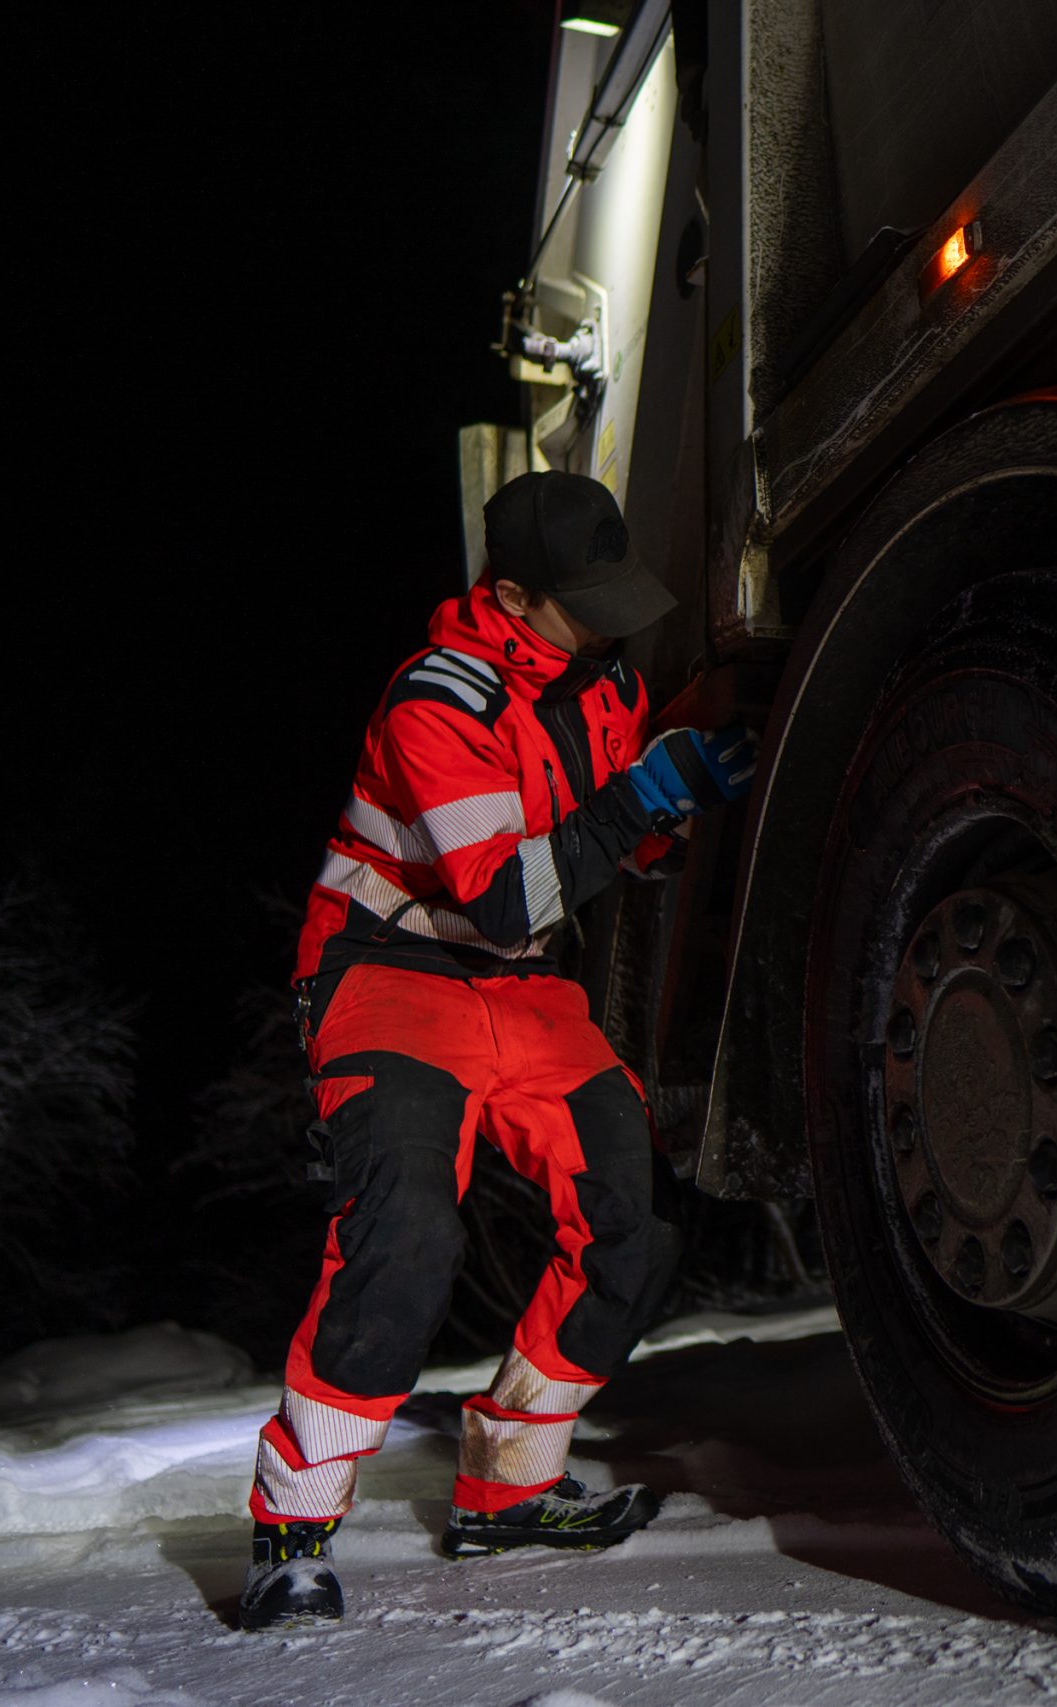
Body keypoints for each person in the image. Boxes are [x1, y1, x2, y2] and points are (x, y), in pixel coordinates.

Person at [239, 471, 755, 1632]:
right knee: (407, 1235)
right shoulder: (435, 703)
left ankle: (509, 1489)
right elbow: (510, 893)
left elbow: (602, 845)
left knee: (638, 1220)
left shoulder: (606, 679)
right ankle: (293, 1530)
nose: (615, 627)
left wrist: (673, 797)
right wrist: (644, 798)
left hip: (516, 984)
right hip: (388, 972)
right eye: (589, 605)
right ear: (512, 596)